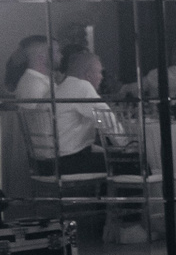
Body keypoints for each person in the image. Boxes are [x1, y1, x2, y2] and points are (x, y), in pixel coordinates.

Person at [17, 42, 119, 177]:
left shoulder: (54, 89)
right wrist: (126, 146)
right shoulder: (80, 86)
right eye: (100, 72)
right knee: (128, 163)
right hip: (65, 164)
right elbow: (106, 119)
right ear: (88, 75)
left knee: (110, 158)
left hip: (43, 163)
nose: (102, 77)